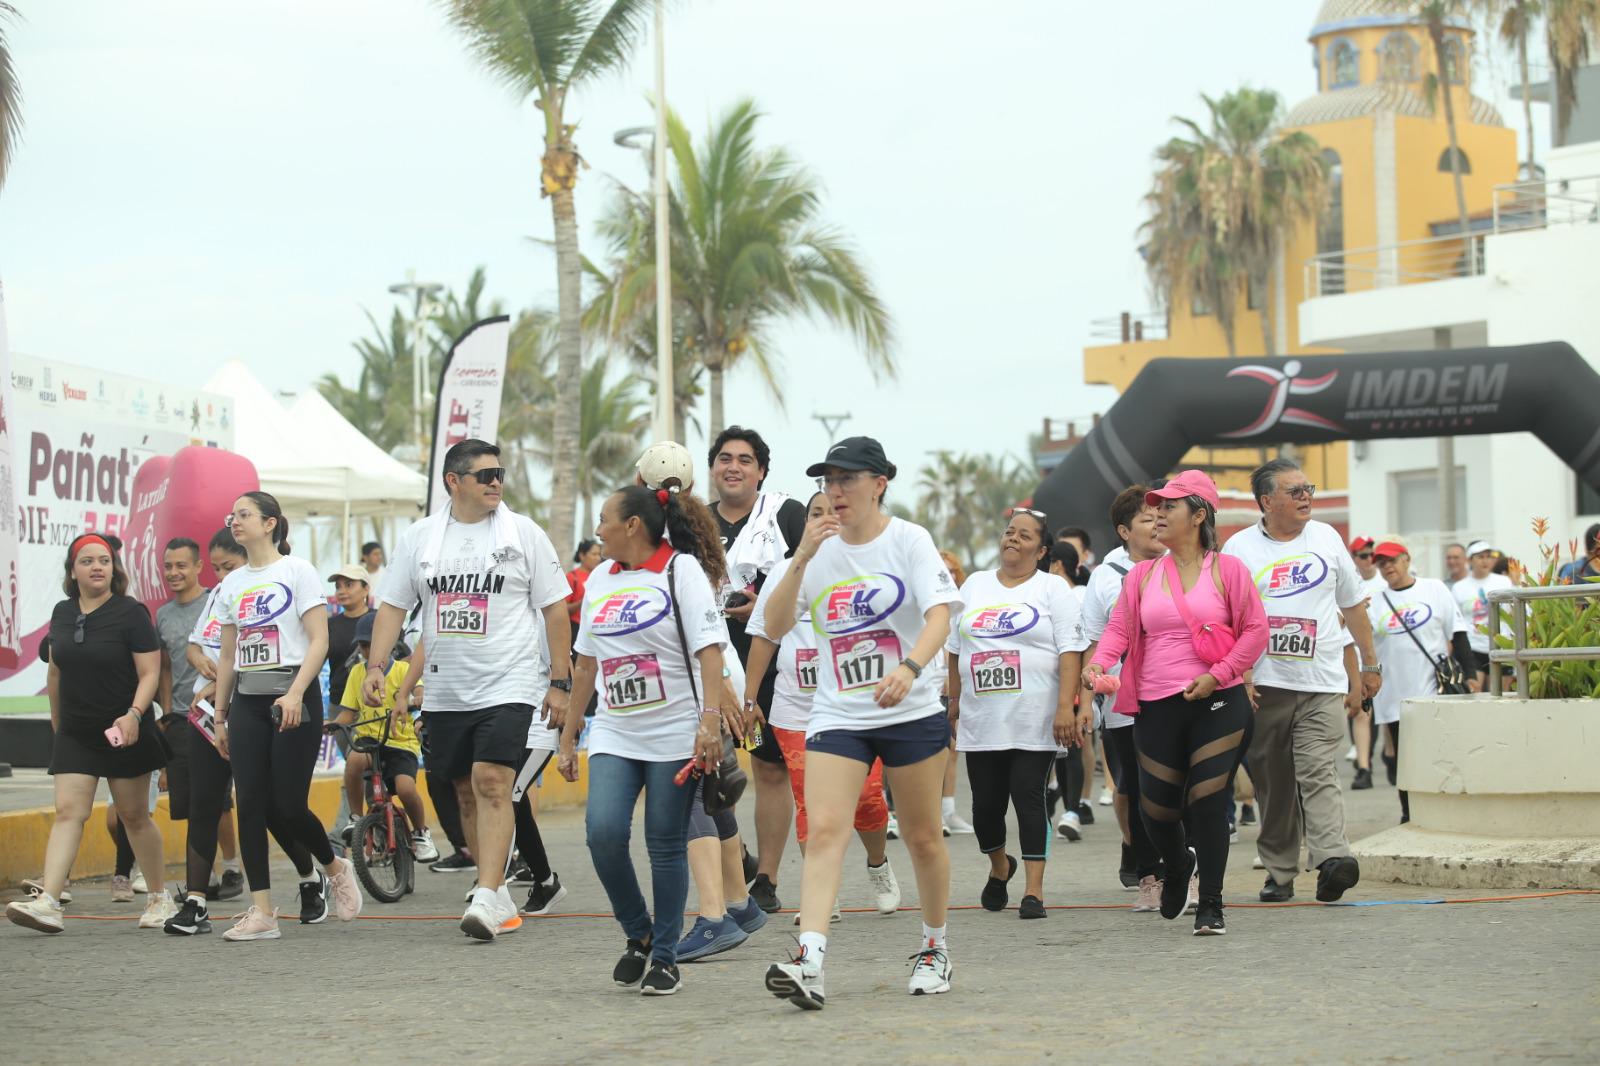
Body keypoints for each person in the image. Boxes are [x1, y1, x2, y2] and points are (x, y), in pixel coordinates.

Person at [761, 436, 963, 1009]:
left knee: (923, 836)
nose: (836, 490)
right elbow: (774, 626)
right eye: (828, 480)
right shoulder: (817, 551)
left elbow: (941, 615)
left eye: (848, 479)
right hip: (837, 713)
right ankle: (810, 960)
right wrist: (801, 557)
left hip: (912, 707)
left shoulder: (908, 540)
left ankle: (934, 948)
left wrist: (911, 666)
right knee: (825, 831)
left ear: (879, 483)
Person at [364, 439, 571, 940]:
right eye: (484, 475)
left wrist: (561, 682)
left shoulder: (524, 533)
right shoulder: (420, 538)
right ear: (453, 482)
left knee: (493, 781)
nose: (496, 481)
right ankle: (496, 891)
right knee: (462, 787)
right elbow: (392, 606)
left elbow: (555, 609)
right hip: (446, 688)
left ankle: (485, 892)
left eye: (499, 473)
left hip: (511, 680)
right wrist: (376, 667)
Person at [560, 483, 731, 996]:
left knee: (664, 842)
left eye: (603, 519)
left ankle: (664, 956)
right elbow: (586, 664)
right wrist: (568, 737)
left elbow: (710, 653)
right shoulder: (597, 580)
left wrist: (709, 722)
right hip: (615, 728)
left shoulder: (681, 572)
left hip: (675, 729)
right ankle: (638, 931)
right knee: (603, 833)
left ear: (632, 525)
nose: (596, 530)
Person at [1085, 471, 1267, 936]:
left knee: (1207, 801)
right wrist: (1099, 665)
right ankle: (1178, 862)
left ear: (1199, 514)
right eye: (1156, 507)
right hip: (1156, 700)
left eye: (1168, 507)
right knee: (1157, 810)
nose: (1158, 515)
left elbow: (1255, 633)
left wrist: (1218, 675)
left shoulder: (1229, 571)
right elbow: (1120, 631)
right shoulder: (1143, 575)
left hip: (1219, 700)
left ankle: (1211, 903)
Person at [1223, 459, 1379, 905]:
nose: (1305, 496)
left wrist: (1370, 666)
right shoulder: (1239, 550)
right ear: (1266, 501)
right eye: (1294, 491)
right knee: (1273, 782)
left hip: (1322, 681)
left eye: (1307, 488)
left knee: (1318, 770)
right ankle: (1280, 870)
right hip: (1265, 684)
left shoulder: (1327, 538)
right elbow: (1229, 618)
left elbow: (1352, 606)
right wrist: (1242, 672)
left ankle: (1333, 859)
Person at [6, 535, 178, 934]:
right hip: (77, 731)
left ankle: (158, 897)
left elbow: (150, 672)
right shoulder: (62, 613)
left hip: (125, 729)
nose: (97, 566)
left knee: (134, 816)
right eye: (87, 561)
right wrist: (57, 723)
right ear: (73, 570)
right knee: (70, 812)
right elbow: (55, 672)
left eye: (104, 560)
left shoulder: (131, 613)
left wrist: (136, 714)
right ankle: (49, 901)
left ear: (114, 570)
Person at [213, 492, 363, 941]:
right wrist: (220, 716)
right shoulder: (232, 583)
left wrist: (297, 692)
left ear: (270, 523)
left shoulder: (298, 571)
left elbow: (317, 640)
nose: (234, 522)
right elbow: (227, 655)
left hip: (294, 694)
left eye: (244, 515)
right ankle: (262, 912)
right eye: (232, 514)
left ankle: (335, 867)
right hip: (248, 699)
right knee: (251, 804)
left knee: (287, 806)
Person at [745, 491, 901, 925]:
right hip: (797, 708)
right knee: (807, 803)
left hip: (856, 708)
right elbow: (764, 636)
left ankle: (877, 864)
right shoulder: (784, 571)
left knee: (868, 798)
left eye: (833, 513)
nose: (825, 521)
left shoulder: (869, 568)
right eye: (816, 514)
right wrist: (751, 696)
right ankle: (821, 893)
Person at [946, 508, 1088, 919]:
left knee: (1028, 797)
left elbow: (1070, 652)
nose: (1013, 539)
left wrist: (1066, 706)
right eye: (1009, 532)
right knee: (985, 809)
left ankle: (1033, 891)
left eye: (1024, 536)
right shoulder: (974, 585)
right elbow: (955, 648)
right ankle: (999, 866)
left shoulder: (1052, 590)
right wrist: (954, 703)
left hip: (1034, 716)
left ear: (1041, 550)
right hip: (981, 717)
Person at [169, 527, 300, 936]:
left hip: (250, 708)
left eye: (230, 566)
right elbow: (197, 646)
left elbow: (257, 655)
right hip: (206, 717)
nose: (223, 574)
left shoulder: (272, 589)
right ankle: (195, 903)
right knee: (203, 806)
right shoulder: (220, 594)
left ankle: (313, 875)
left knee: (269, 808)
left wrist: (221, 683)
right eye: (218, 568)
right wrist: (203, 669)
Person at [704, 427, 809, 913]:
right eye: (725, 458)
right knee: (710, 771)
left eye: (745, 460)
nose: (734, 467)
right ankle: (734, 855)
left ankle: (764, 878)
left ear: (761, 471)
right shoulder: (693, 523)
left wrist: (765, 609)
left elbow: (810, 573)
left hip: (771, 662)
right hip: (710, 667)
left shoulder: (786, 514)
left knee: (769, 770)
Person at [1081, 484, 1169, 908]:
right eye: (1147, 519)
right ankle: (1148, 872)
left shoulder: (1185, 563)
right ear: (1123, 530)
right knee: (1134, 786)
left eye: (1161, 516)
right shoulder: (1105, 577)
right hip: (1123, 703)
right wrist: (1084, 698)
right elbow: (1093, 641)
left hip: (1176, 694)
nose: (1157, 525)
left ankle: (1180, 867)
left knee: (1173, 784)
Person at [155, 536, 242, 905]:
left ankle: (232, 866)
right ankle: (201, 877)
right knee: (190, 802)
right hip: (180, 716)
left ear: (197, 568)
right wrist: (165, 712)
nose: (174, 573)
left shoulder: (217, 601)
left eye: (181, 566)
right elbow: (164, 667)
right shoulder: (162, 615)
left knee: (217, 801)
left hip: (220, 712)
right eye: (168, 566)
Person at [1369, 538, 1472, 822]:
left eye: (1391, 560)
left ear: (1406, 559)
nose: (1387, 566)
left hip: (1434, 686)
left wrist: (1472, 675)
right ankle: (1409, 812)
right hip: (1394, 694)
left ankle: (1445, 807)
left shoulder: (1434, 589)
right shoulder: (1375, 601)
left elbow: (1458, 632)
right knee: (1405, 757)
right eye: (1381, 562)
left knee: (1440, 750)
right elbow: (1361, 644)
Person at [334, 612, 436, 861]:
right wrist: (329, 726)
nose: (365, 650)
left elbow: (419, 689)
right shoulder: (358, 673)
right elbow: (347, 714)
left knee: (405, 787)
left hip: (401, 742)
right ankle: (356, 818)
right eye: (362, 645)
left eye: (369, 644)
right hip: (369, 741)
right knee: (354, 761)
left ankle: (421, 832)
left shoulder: (403, 669)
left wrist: (418, 698)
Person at [1044, 541, 1090, 842]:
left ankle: (1072, 810)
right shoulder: (1051, 593)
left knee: (1072, 747)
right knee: (1062, 751)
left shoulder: (1077, 595)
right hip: (1054, 684)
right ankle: (1061, 803)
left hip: (1073, 683)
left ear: (1057, 565)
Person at [933, 549, 975, 837]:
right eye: (941, 571)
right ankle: (928, 813)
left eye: (951, 571)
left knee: (952, 749)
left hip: (952, 685)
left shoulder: (963, 606)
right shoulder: (924, 602)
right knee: (934, 750)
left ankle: (948, 810)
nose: (947, 576)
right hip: (926, 685)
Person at [1452, 541, 1513, 691]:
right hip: (1473, 646)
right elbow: (1456, 619)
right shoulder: (1459, 587)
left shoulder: (1503, 581)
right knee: (1475, 694)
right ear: (1469, 560)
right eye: (1480, 557)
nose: (1485, 561)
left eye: (1488, 556)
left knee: (1500, 696)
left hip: (1500, 645)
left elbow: (1512, 611)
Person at [566, 539, 603, 637]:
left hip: (597, 628)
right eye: (594, 554)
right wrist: (584, 601)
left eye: (599, 554)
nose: (598, 558)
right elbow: (563, 609)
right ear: (582, 555)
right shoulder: (572, 577)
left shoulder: (601, 577)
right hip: (576, 628)